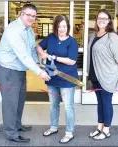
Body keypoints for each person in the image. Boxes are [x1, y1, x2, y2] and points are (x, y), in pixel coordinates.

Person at [0, 4, 50, 143]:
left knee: (19, 101)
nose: (31, 18)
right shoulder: (14, 30)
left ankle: (17, 125)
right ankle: (11, 133)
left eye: (33, 16)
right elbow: (23, 56)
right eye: (28, 15)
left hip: (19, 70)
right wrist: (40, 72)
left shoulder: (29, 30)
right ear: (21, 14)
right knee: (10, 103)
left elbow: (31, 50)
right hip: (8, 70)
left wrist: (37, 63)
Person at [37, 15, 79, 143]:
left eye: (64, 26)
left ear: (68, 27)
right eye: (59, 26)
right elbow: (38, 46)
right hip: (52, 78)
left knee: (68, 106)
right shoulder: (51, 38)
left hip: (66, 78)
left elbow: (72, 61)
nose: (62, 29)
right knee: (53, 105)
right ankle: (54, 127)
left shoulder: (72, 41)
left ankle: (69, 132)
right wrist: (43, 54)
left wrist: (54, 57)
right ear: (56, 27)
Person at [87, 9, 118, 140]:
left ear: (109, 21)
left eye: (105, 18)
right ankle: (99, 127)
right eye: (99, 18)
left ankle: (106, 130)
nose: (101, 20)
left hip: (107, 76)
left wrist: (108, 67)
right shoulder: (93, 35)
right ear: (96, 20)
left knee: (106, 102)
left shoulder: (111, 36)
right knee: (100, 103)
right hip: (95, 75)